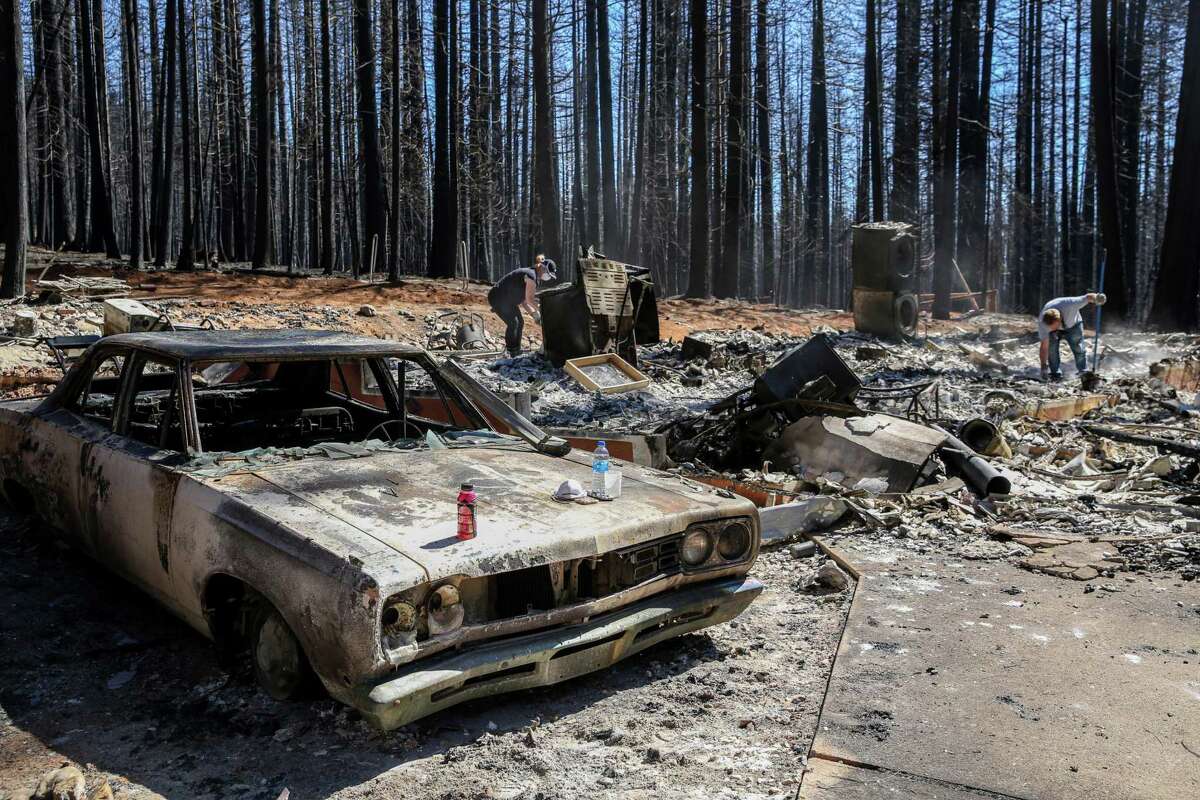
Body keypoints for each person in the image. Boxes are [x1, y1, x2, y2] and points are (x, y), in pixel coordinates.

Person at [487, 255, 557, 357]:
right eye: (548, 274)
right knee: (514, 323)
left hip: (507, 300)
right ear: (542, 267)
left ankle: (515, 350)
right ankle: (511, 351)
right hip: (498, 297)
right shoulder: (531, 275)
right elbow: (530, 299)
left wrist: (534, 314)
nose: (548, 277)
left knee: (520, 322)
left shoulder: (533, 277)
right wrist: (543, 310)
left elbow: (524, 301)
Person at [1037, 292, 1105, 381]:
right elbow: (1044, 347)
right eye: (1052, 328)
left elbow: (1087, 297)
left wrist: (1097, 298)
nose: (1055, 329)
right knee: (1052, 350)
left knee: (1078, 348)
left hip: (1074, 325)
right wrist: (1043, 366)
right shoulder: (1043, 324)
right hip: (1059, 325)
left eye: (1056, 326)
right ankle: (1055, 374)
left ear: (1060, 318)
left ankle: (1083, 372)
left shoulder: (1070, 304)